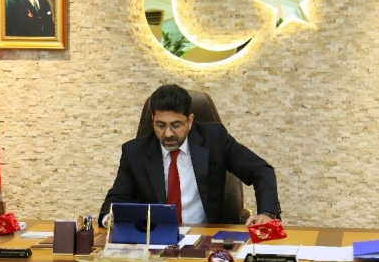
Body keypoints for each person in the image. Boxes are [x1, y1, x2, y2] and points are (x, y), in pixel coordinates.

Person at [98, 84, 282, 228]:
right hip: (157, 239)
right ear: (152, 121)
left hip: (210, 237)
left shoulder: (214, 139)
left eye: (176, 125)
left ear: (190, 121)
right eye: (161, 125)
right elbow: (117, 198)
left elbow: (260, 170)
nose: (168, 133)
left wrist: (267, 213)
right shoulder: (134, 152)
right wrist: (109, 219)